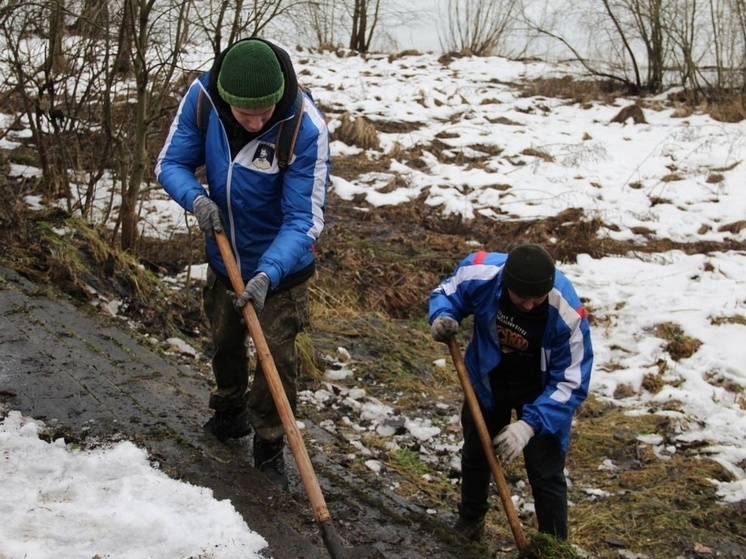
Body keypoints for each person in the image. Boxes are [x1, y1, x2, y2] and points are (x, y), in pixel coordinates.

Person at [155, 37, 330, 490]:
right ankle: (228, 413)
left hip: (283, 270)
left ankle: (270, 444)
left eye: (264, 113)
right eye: (244, 113)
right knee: (225, 339)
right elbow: (169, 163)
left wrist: (268, 273)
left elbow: (303, 219)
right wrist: (194, 198)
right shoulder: (203, 99)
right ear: (227, 98)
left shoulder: (304, 127)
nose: (255, 123)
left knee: (277, 356)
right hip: (224, 253)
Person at [429, 244, 593, 541]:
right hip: (490, 376)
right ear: (507, 285)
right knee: (477, 450)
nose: (530, 305)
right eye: (522, 298)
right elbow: (447, 293)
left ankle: (552, 544)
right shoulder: (482, 273)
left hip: (542, 389)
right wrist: (442, 316)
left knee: (546, 471)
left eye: (537, 299)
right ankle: (471, 521)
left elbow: (571, 382)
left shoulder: (567, 312)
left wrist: (529, 426)